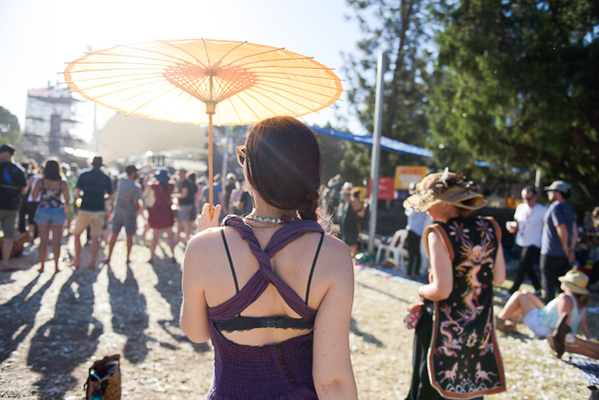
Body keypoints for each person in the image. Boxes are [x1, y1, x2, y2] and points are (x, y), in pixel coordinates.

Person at [180, 116, 358, 399]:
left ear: (251, 168)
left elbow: (196, 331)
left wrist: (206, 237)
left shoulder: (204, 247)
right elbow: (331, 380)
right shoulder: (333, 254)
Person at [404, 169, 506, 399]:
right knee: (469, 388)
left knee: (431, 390)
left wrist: (421, 290)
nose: (427, 209)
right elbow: (499, 277)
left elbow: (442, 289)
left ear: (447, 205)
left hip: (442, 328)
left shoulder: (439, 233)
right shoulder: (490, 228)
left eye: (431, 203)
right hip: (478, 331)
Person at [496, 269, 599, 359]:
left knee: (519, 295)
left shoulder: (566, 299)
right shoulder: (582, 302)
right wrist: (588, 340)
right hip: (545, 317)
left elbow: (562, 323)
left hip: (544, 326)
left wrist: (562, 337)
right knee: (525, 293)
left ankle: (500, 320)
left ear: (569, 285)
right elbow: (583, 322)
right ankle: (510, 322)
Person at [70, 156, 114, 269]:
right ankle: (92, 262)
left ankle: (76, 260)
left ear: (91, 163)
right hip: (99, 209)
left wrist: (82, 197)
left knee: (77, 234)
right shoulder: (105, 177)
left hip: (85, 208)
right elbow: (111, 195)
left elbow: (77, 192)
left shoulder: (84, 175)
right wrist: (103, 200)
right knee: (96, 237)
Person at [506, 186, 547, 296]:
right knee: (527, 267)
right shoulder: (520, 207)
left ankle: (512, 291)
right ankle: (538, 288)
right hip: (520, 241)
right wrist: (511, 227)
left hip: (533, 243)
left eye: (529, 198)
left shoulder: (543, 211)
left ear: (536, 197)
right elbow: (517, 224)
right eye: (524, 198)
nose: (526, 201)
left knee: (522, 267)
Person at [31, 158, 70, 273]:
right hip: (58, 211)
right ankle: (56, 267)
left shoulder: (41, 182)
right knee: (57, 240)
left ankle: (42, 266)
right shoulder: (62, 183)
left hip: (43, 210)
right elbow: (68, 199)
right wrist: (66, 207)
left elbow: (34, 197)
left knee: (43, 240)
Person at [540, 180, 577, 303]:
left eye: (551, 190)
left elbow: (563, 230)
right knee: (561, 286)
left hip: (551, 252)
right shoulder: (569, 209)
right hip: (563, 254)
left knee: (548, 285)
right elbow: (575, 231)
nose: (549, 193)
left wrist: (565, 247)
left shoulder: (556, 207)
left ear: (558, 193)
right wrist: (570, 250)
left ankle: (548, 314)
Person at [103, 165, 143, 264]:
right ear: (133, 173)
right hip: (129, 214)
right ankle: (128, 258)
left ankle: (109, 257)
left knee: (113, 235)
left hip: (118, 213)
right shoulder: (135, 187)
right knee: (129, 237)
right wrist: (139, 208)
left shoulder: (121, 182)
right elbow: (135, 203)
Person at [0, 144, 27, 271]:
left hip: (6, 205)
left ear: (6, 153)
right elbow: (23, 191)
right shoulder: (19, 170)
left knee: (9, 235)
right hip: (12, 206)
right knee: (9, 235)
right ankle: (4, 263)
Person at [147, 169, 176, 263]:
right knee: (170, 235)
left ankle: (151, 257)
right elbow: (173, 181)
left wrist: (150, 173)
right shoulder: (171, 186)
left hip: (157, 210)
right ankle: (173, 255)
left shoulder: (155, 186)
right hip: (167, 210)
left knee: (155, 235)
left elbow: (145, 183)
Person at [404, 183, 428, 277]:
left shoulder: (415, 203)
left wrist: (407, 211)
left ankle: (409, 272)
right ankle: (416, 271)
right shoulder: (423, 202)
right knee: (416, 252)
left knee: (412, 252)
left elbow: (412, 215)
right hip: (419, 230)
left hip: (413, 230)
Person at [341, 188, 365, 258]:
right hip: (355, 223)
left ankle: (346, 254)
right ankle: (353, 255)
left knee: (346, 237)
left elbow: (342, 194)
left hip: (347, 222)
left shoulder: (350, 201)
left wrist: (349, 191)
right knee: (354, 238)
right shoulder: (360, 204)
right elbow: (362, 215)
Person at [176, 171, 198, 245]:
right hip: (191, 204)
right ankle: (186, 239)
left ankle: (177, 238)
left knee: (180, 222)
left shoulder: (185, 183)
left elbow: (184, 194)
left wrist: (174, 196)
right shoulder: (191, 183)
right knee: (187, 222)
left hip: (184, 205)